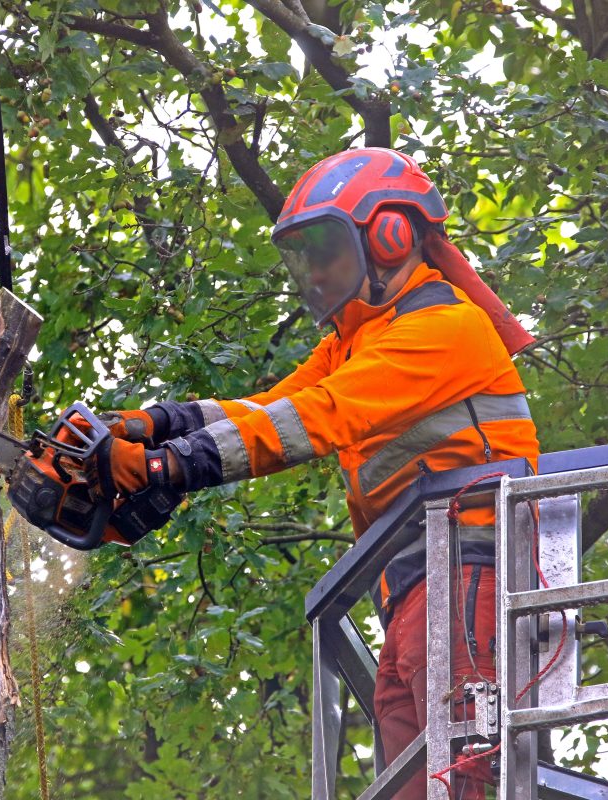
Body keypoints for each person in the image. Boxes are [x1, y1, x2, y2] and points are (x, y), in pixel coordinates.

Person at [81, 148, 539, 799]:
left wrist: (165, 467)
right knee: (413, 785)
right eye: (307, 257)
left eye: (327, 250)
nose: (317, 272)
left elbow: (314, 419)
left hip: (468, 570)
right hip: (411, 589)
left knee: (460, 777)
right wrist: (154, 425)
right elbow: (268, 407)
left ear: (390, 236)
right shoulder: (359, 341)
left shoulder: (444, 328)